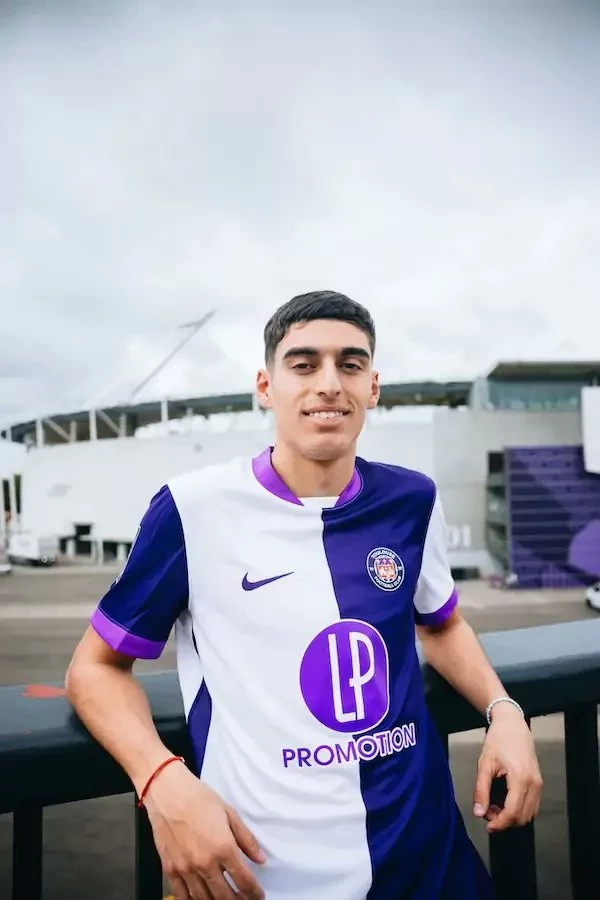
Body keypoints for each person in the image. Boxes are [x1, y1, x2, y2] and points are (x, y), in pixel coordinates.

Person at [66, 291, 543, 900]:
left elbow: (442, 624)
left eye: (349, 364)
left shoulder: (413, 500)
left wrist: (504, 711)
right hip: (262, 875)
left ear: (373, 387)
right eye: (303, 364)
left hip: (427, 860)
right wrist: (160, 779)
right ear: (266, 386)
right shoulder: (191, 509)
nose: (328, 383)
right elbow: (95, 669)